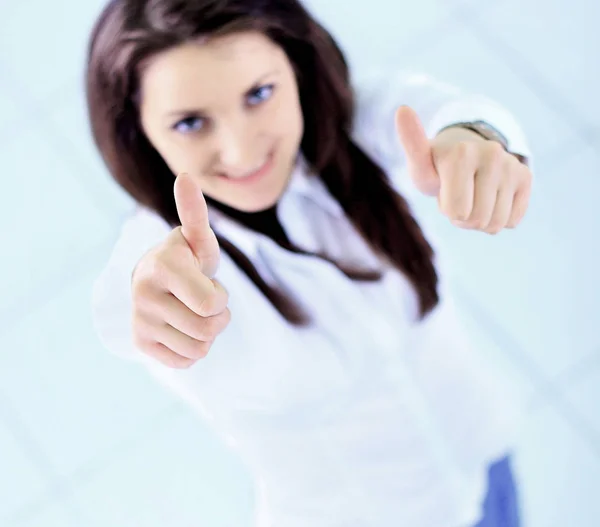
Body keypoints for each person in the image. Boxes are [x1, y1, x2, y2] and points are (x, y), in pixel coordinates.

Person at [87, 0, 533, 525]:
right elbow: (123, 303)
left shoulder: (353, 132)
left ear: (295, 69)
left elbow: (445, 115)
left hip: (479, 460)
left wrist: (477, 141)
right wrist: (148, 299)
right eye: (190, 123)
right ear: (139, 133)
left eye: (259, 94)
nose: (240, 150)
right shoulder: (160, 251)